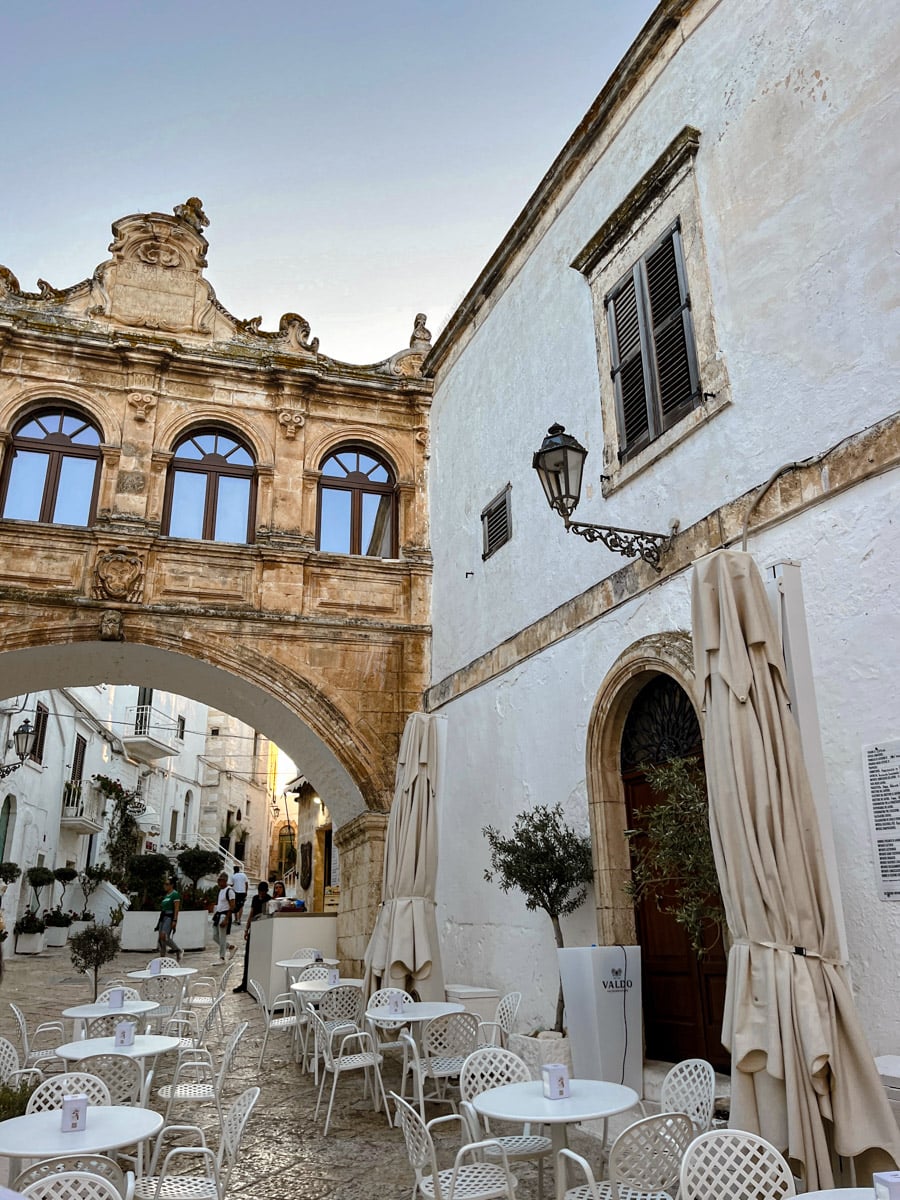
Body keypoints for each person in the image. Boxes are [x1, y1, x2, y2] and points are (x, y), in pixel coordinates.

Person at [233, 880, 269, 993]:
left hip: (263, 931)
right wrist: (246, 929)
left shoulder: (269, 900)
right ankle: (244, 983)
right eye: (260, 892)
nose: (261, 894)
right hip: (254, 929)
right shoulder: (255, 899)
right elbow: (252, 913)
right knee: (247, 956)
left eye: (263, 892)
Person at [156, 878, 182, 962]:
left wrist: (175, 920)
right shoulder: (166, 895)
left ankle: (177, 949)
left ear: (171, 885)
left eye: (167, 884)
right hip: (163, 916)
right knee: (161, 938)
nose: (165, 886)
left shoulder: (175, 895)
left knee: (164, 935)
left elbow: (176, 908)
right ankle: (162, 956)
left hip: (169, 916)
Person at [212, 872, 236, 962]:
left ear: (225, 881)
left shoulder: (229, 891)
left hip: (224, 915)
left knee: (222, 937)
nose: (219, 882)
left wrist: (226, 919)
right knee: (215, 936)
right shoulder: (220, 890)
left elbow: (232, 905)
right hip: (218, 914)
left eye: (220, 880)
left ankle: (221, 957)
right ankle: (230, 947)